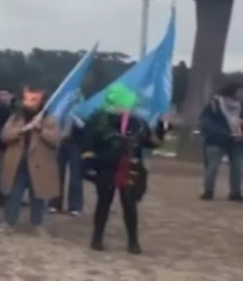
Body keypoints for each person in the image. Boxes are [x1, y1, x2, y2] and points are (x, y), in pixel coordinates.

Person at [81, 86, 165, 254]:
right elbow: (87, 143)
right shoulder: (98, 120)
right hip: (106, 166)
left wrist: (162, 128)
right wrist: (89, 165)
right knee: (104, 203)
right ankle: (97, 238)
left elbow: (152, 143)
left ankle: (133, 241)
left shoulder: (138, 123)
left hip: (131, 167)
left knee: (130, 204)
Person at [0, 89, 60, 236]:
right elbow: (4, 136)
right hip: (18, 163)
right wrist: (22, 130)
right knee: (13, 193)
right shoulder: (15, 118)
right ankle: (8, 222)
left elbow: (55, 140)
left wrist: (40, 129)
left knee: (38, 195)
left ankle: (36, 224)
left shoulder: (49, 119)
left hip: (38, 165)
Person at [199, 83, 243, 201]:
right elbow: (206, 121)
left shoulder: (241, 106)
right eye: (240, 91)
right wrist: (223, 133)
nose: (241, 94)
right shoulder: (214, 104)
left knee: (238, 167)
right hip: (216, 140)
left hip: (237, 141)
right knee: (213, 166)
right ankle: (208, 191)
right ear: (231, 91)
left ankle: (235, 192)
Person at [49, 118, 86, 217]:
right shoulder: (62, 103)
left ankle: (75, 206)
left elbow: (83, 125)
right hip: (60, 141)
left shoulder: (83, 107)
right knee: (57, 173)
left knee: (75, 174)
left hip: (76, 142)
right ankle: (54, 203)